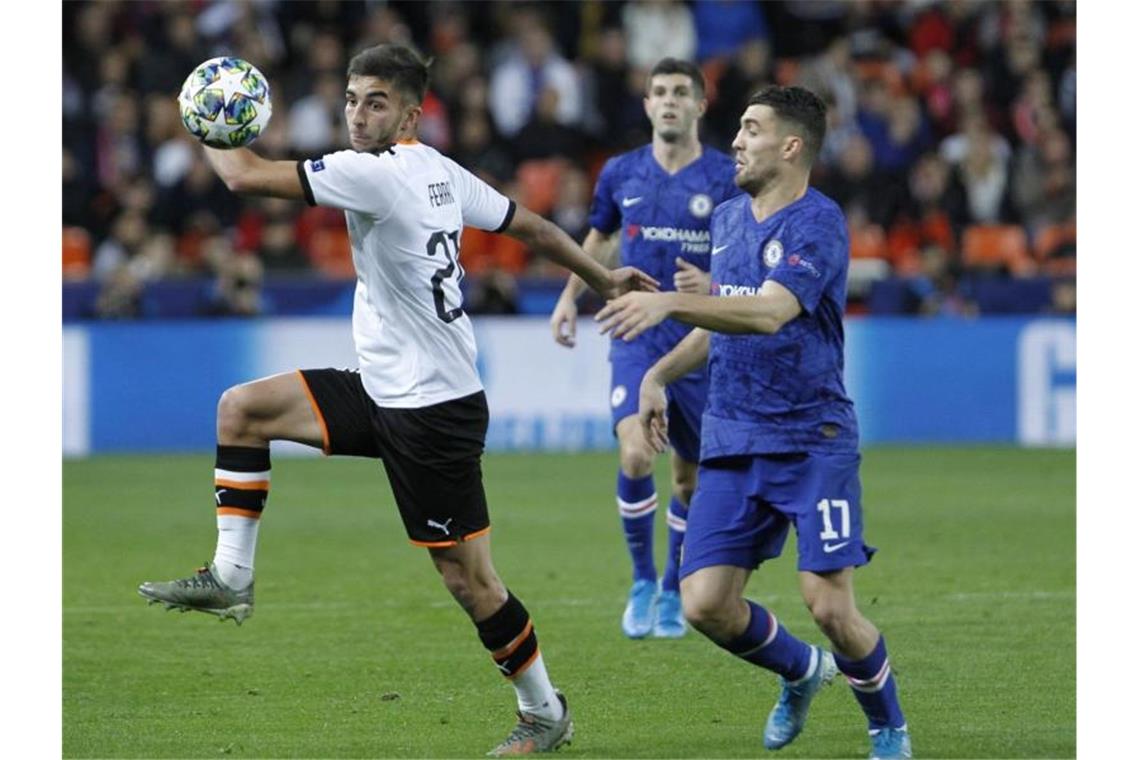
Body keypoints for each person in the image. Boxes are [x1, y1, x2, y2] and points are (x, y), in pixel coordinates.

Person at [138, 43, 657, 757]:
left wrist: (204, 112)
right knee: (243, 411)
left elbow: (242, 174)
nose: (356, 113)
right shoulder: (438, 171)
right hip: (386, 389)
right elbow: (528, 226)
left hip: (432, 410)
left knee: (470, 581)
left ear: (410, 114)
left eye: (375, 102)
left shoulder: (374, 175)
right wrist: (601, 277)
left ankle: (544, 712)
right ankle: (232, 576)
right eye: (351, 98)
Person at [595, 86, 912, 759]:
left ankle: (887, 726)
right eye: (737, 128)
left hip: (810, 439)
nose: (735, 141)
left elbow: (768, 312)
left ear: (790, 146)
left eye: (750, 129)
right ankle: (800, 672)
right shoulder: (731, 219)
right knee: (704, 603)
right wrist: (656, 376)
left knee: (829, 606)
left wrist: (670, 304)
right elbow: (725, 322)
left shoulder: (817, 223)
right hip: (734, 437)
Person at [549, 58, 739, 640]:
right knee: (635, 454)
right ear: (647, 104)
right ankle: (641, 579)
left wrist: (712, 289)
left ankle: (672, 587)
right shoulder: (621, 173)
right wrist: (568, 297)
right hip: (635, 335)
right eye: (660, 92)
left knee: (688, 479)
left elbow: (744, 259)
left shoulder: (727, 179)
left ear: (701, 105)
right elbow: (600, 239)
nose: (670, 101)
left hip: (700, 344)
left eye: (682, 92)